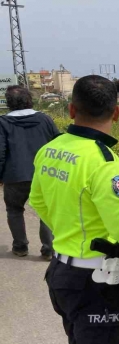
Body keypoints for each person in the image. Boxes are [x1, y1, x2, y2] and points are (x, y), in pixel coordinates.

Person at [29, 75, 119, 344]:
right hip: (94, 281)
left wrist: (68, 230)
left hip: (61, 274)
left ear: (72, 110)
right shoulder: (105, 162)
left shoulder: (49, 150)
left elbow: (37, 199)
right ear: (116, 113)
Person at [0, 86, 58, 259]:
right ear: (29, 99)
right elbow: (58, 144)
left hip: (14, 175)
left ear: (8, 103)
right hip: (44, 174)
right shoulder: (45, 119)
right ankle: (49, 249)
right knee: (46, 211)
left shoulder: (3, 123)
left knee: (14, 210)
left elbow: (1, 152)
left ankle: (20, 247)